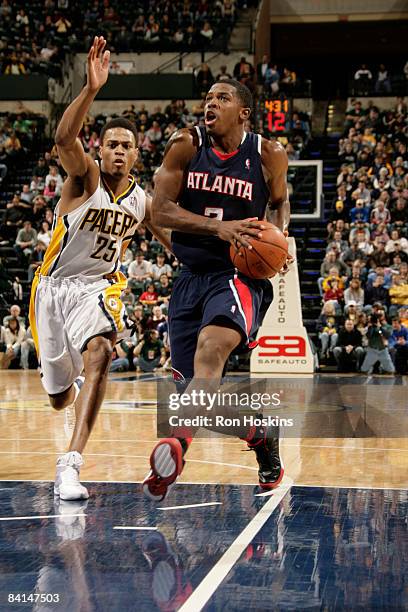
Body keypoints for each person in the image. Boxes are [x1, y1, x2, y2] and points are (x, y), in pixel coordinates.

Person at [29, 36, 170, 502]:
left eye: (125, 146)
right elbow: (63, 139)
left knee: (102, 353)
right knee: (57, 398)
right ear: (101, 148)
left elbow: (174, 242)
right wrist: (90, 90)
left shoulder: (142, 201)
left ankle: (69, 465)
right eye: (110, 143)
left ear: (135, 155)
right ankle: (68, 381)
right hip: (51, 291)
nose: (116, 151)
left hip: (97, 289)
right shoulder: (84, 177)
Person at [143, 79, 291, 501]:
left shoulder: (268, 154)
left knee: (211, 352)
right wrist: (217, 227)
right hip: (191, 277)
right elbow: (161, 209)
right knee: (196, 395)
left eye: (222, 99)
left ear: (243, 112)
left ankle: (177, 447)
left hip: (238, 275)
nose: (211, 104)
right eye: (207, 98)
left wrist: (278, 240)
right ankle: (260, 434)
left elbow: (279, 202)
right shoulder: (186, 145)